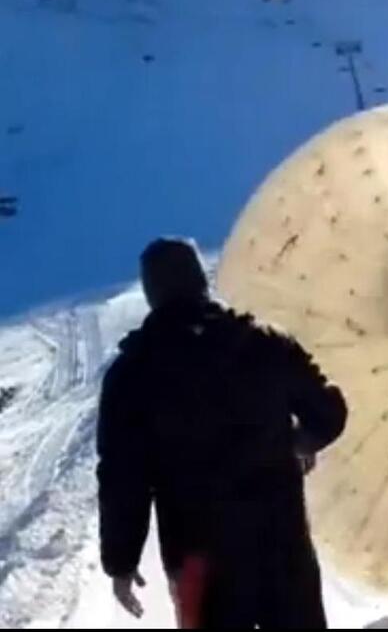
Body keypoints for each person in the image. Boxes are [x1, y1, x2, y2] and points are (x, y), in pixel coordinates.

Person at [97, 238, 347, 628]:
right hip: (280, 548)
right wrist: (299, 441)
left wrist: (121, 562)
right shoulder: (266, 343)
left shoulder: (132, 375)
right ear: (201, 281)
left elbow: (122, 479)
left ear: (151, 294)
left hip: (200, 566)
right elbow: (328, 412)